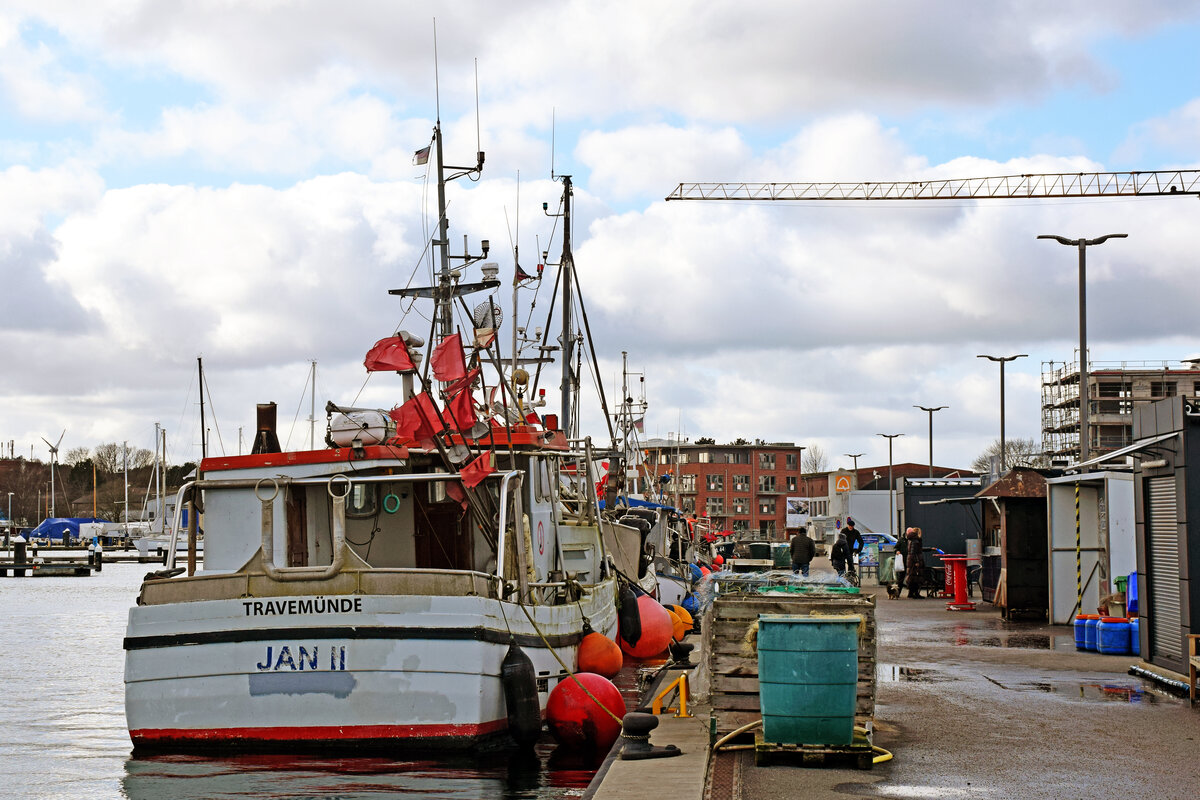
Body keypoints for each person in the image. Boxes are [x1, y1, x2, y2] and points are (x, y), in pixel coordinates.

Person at [904, 526, 925, 598]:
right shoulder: (915, 541)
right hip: (914, 561)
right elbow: (914, 552)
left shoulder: (910, 540)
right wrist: (917, 561)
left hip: (910, 560)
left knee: (912, 577)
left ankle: (911, 593)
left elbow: (912, 551)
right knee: (916, 577)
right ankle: (915, 593)